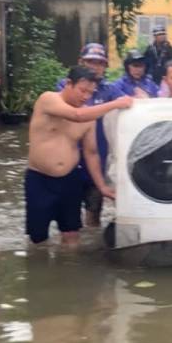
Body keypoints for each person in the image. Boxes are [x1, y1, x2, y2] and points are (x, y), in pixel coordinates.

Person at [25, 65, 132, 244]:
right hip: (40, 179)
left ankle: (68, 269)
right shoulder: (48, 99)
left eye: (90, 93)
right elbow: (76, 115)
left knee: (72, 233)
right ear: (68, 84)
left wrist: (102, 186)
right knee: (38, 239)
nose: (86, 97)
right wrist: (116, 103)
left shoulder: (88, 114)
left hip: (70, 179)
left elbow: (91, 153)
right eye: (82, 91)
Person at [55, 43, 125, 227]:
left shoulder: (109, 90)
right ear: (80, 62)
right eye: (90, 61)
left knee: (94, 215)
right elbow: (77, 113)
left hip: (96, 162)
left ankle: (89, 251)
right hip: (69, 162)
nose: (94, 66)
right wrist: (113, 104)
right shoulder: (65, 86)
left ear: (105, 66)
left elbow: (132, 103)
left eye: (99, 63)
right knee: (68, 220)